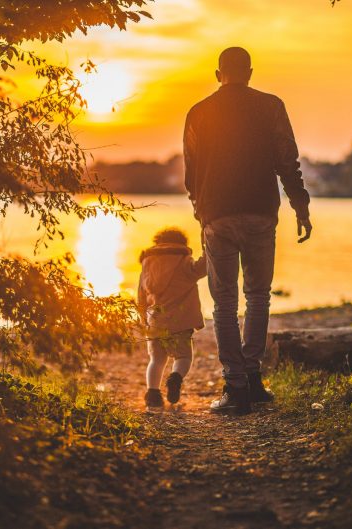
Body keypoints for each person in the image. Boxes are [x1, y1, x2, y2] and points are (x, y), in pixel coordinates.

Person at [183, 46, 313, 415]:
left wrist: (200, 210)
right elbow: (287, 160)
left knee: (224, 302)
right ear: (250, 72)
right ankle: (253, 379)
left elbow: (191, 171)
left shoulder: (198, 112)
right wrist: (300, 206)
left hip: (217, 215)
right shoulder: (271, 106)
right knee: (258, 295)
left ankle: (236, 385)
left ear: (217, 73)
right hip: (259, 211)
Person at [137, 227, 207, 409]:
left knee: (156, 360)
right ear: (182, 244)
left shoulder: (147, 264)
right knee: (183, 357)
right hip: (180, 322)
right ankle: (175, 378)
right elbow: (203, 268)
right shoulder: (184, 261)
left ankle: (152, 394)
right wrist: (208, 247)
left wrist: (143, 319)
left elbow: (141, 296)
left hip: (155, 321)